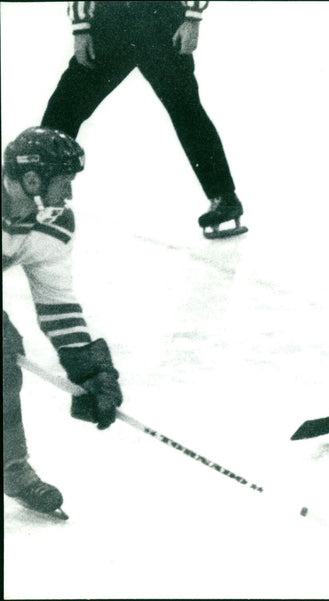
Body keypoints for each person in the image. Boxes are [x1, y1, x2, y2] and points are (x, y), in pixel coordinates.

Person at [40, 1, 246, 239]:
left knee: (186, 111)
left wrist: (192, 17)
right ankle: (36, 193)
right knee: (65, 108)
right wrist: (81, 27)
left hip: (160, 21)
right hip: (110, 21)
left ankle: (225, 198)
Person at [3, 127, 124, 520]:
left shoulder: (52, 225)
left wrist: (88, 367)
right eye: (64, 182)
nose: (68, 194)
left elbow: (57, 303)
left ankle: (10, 468)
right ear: (32, 179)